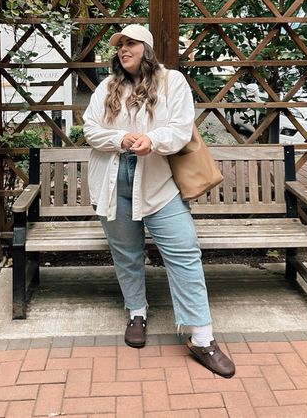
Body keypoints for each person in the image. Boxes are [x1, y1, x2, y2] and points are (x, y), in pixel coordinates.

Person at [83, 24, 235, 378]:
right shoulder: (107, 87)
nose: (123, 49)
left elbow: (182, 128)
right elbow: (91, 129)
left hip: (159, 185)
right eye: (119, 44)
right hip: (111, 185)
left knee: (184, 251)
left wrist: (153, 140)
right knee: (126, 253)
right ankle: (137, 311)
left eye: (130, 43)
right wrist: (122, 138)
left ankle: (202, 336)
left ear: (147, 48)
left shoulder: (173, 82)